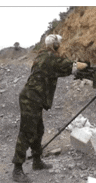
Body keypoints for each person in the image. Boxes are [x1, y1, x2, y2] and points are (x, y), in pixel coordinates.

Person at [12, 34, 88, 182]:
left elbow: (60, 68)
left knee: (38, 130)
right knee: (27, 132)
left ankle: (37, 161)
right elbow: (69, 65)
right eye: (59, 44)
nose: (61, 47)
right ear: (55, 46)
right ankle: (17, 170)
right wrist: (87, 65)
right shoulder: (50, 58)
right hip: (31, 98)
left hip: (33, 98)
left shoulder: (42, 55)